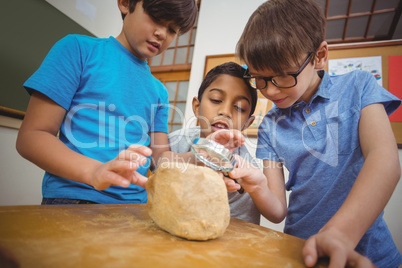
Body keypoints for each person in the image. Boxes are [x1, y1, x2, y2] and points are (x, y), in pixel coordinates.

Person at [232, 0, 401, 267]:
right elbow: (277, 211)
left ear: (319, 56)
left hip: (371, 253)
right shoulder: (270, 126)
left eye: (283, 76)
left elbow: (385, 159)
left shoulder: (358, 86)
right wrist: (257, 185)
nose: (271, 91)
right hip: (300, 251)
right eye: (260, 80)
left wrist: (340, 233)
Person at [16, 0, 198, 204]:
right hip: (75, 199)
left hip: (135, 207)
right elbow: (32, 137)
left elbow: (159, 158)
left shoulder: (159, 92)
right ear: (125, 4)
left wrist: (200, 157)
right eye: (156, 18)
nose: (163, 34)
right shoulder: (78, 50)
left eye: (173, 30)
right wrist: (94, 171)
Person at [167, 62, 262, 224]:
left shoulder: (244, 172)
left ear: (247, 123)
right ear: (197, 107)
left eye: (239, 108)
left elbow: (241, 229)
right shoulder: (175, 142)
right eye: (216, 100)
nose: (225, 112)